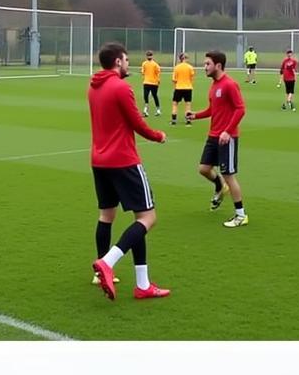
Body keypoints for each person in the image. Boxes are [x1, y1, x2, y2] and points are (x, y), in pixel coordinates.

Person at [89, 42, 171, 302]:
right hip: (123, 160)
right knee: (148, 218)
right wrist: (158, 136)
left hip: (99, 161)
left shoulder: (93, 87)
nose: (128, 64)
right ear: (117, 62)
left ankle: (142, 284)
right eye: (125, 60)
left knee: (107, 215)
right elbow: (137, 122)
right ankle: (107, 263)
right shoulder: (121, 87)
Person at [187, 51, 249, 228]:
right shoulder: (214, 86)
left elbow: (240, 109)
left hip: (226, 138)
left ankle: (240, 215)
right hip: (213, 136)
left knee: (229, 175)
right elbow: (213, 109)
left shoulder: (229, 84)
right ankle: (219, 186)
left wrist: (228, 131)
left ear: (218, 66)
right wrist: (196, 115)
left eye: (207, 64)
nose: (204, 67)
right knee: (204, 169)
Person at [170, 52, 196, 125]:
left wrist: (176, 85)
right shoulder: (190, 67)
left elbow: (174, 79)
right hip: (188, 88)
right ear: (185, 58)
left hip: (179, 88)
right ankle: (188, 120)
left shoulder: (177, 67)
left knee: (175, 104)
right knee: (188, 104)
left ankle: (174, 120)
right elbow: (192, 78)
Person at [140, 51, 162, 117]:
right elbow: (143, 72)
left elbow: (158, 73)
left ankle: (158, 109)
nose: (149, 57)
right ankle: (146, 109)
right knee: (146, 96)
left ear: (152, 56)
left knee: (154, 95)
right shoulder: (144, 64)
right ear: (146, 56)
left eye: (150, 55)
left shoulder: (155, 64)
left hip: (154, 83)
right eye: (148, 55)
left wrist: (158, 80)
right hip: (147, 82)